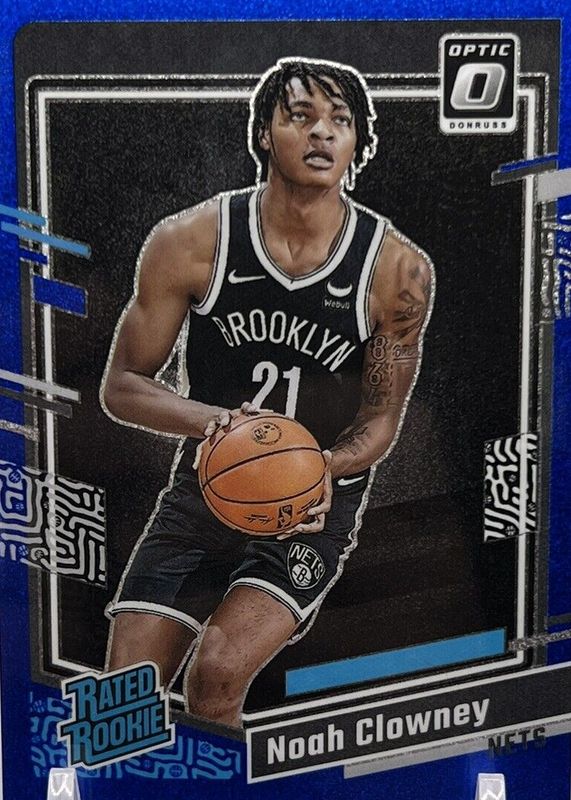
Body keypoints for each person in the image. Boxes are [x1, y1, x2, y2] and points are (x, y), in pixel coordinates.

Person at [101, 56, 434, 728]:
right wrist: (218, 424)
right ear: (262, 132)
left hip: (313, 506)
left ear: (358, 144)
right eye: (300, 116)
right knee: (120, 700)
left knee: (217, 671)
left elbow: (380, 420)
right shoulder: (188, 241)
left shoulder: (396, 271)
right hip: (206, 489)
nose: (321, 133)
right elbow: (123, 386)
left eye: (339, 121)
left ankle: (222, 772)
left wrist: (319, 469)